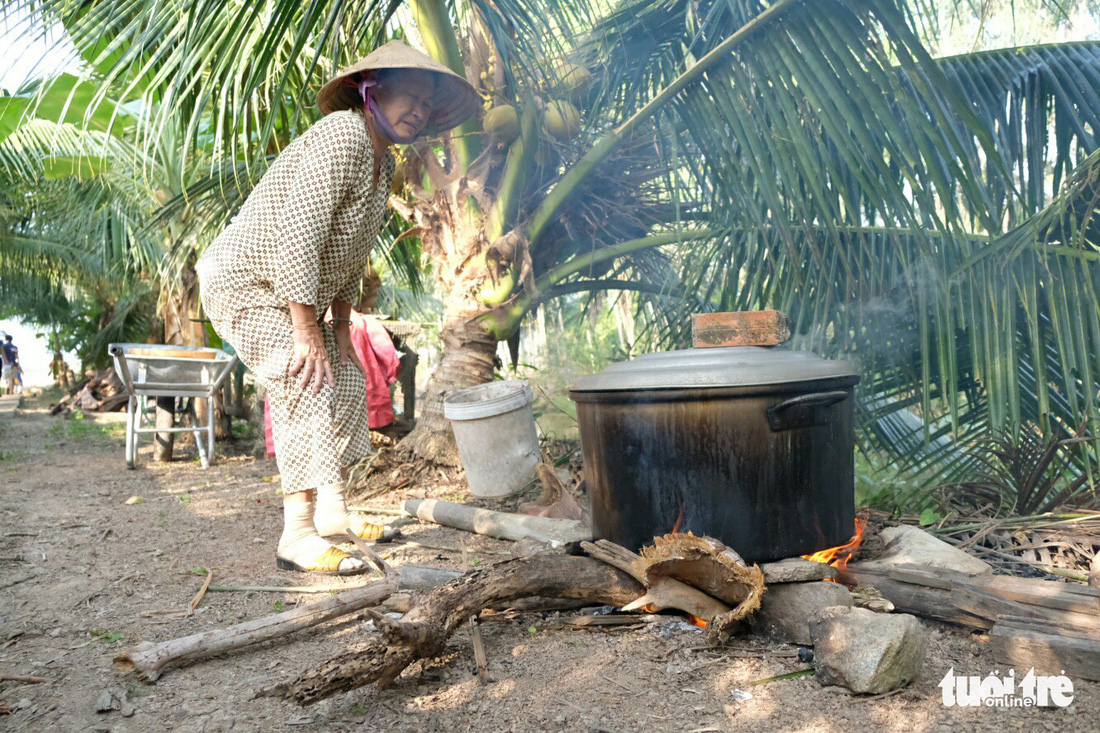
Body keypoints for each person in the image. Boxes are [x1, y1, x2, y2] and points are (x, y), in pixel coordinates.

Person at [197, 41, 477, 575]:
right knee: (303, 375)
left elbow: (351, 251)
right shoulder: (344, 135)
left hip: (293, 291)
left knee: (346, 375)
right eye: (408, 97)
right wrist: (306, 329)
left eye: (426, 104)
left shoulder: (380, 160)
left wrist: (342, 326)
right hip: (246, 281)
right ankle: (297, 534)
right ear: (371, 88)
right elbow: (302, 235)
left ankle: (332, 513)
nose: (417, 110)